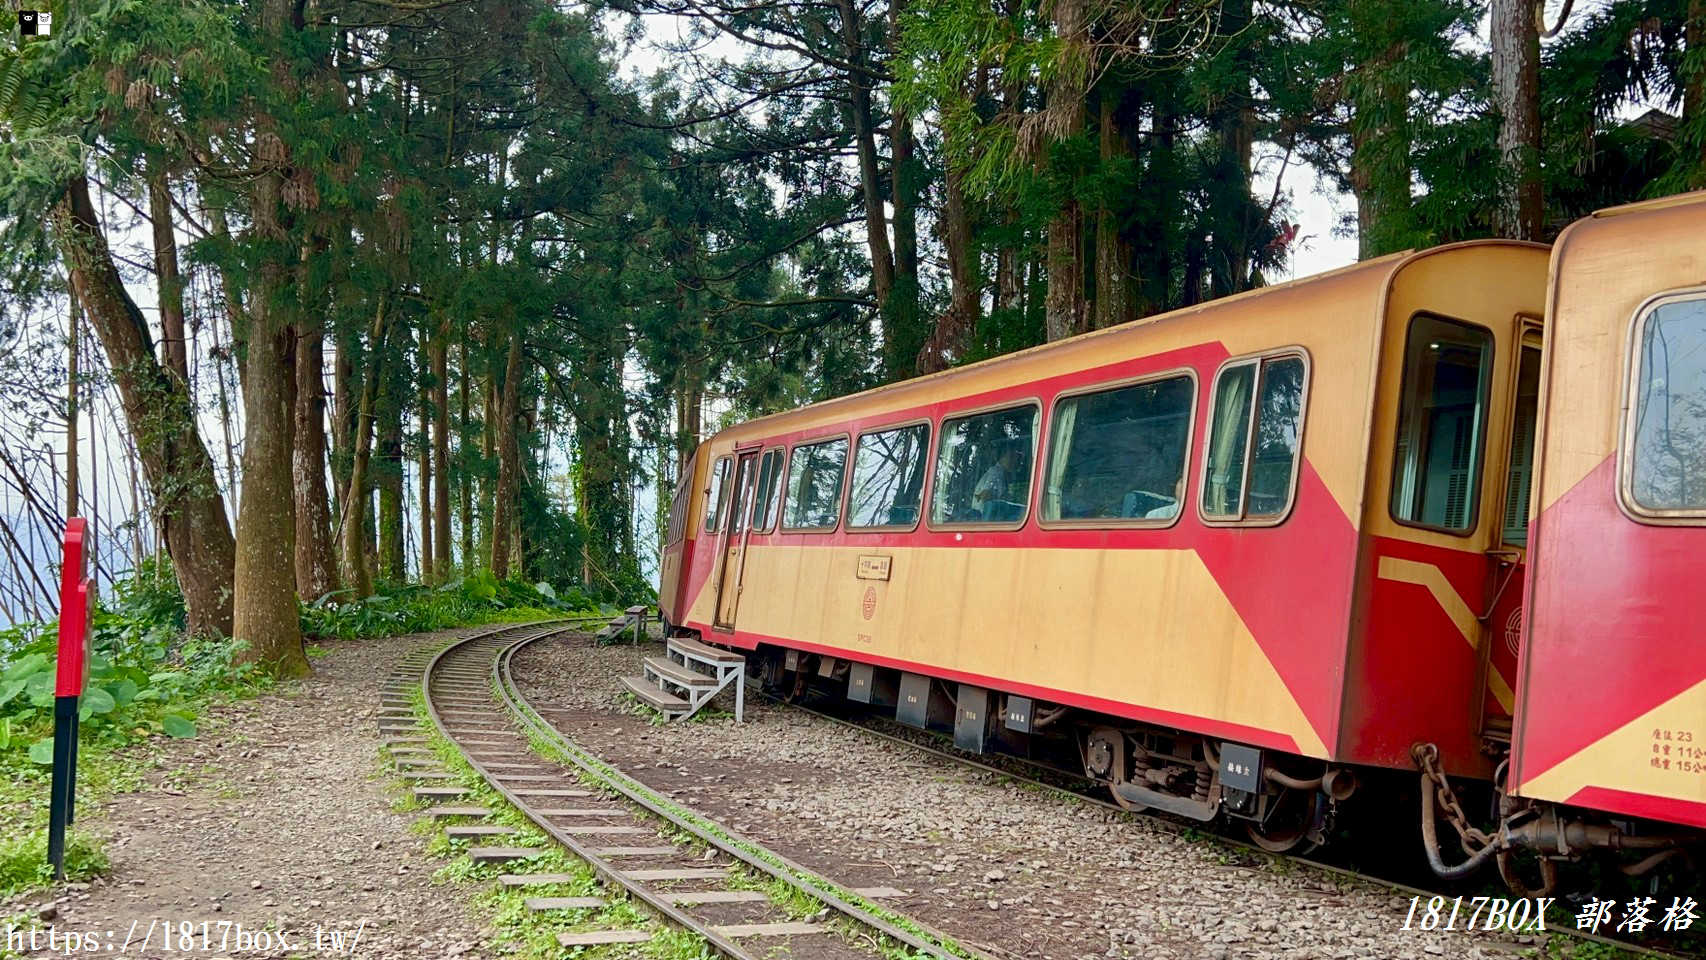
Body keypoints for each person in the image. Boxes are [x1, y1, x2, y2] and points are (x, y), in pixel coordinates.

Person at [973, 446, 1021, 521]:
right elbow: (985, 496)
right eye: (1011, 457)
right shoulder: (996, 473)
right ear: (1002, 458)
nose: (1015, 461)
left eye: (1016, 458)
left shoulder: (999, 473)